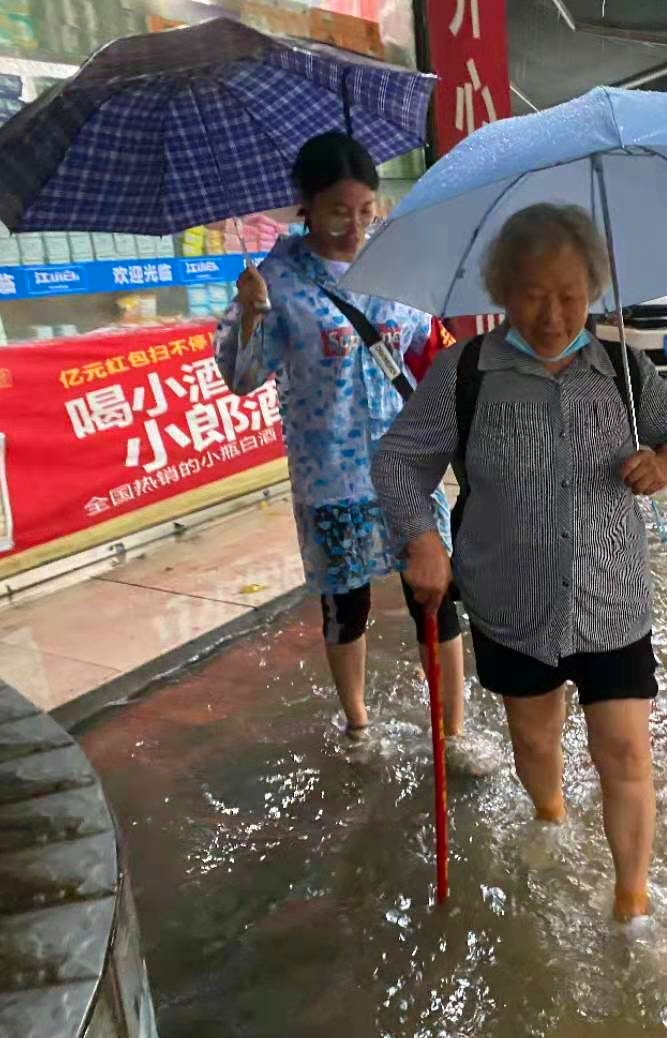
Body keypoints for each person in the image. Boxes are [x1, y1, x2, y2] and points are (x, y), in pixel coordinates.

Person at [372, 203, 667, 922]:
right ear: (502, 290)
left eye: (570, 293)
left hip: (610, 596)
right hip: (509, 598)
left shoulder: (621, 367)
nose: (553, 313)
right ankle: (551, 815)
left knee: (624, 753)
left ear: (594, 287)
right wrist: (423, 541)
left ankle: (631, 902)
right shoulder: (468, 372)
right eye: (533, 293)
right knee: (533, 738)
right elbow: (399, 462)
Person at [214, 132, 474, 751]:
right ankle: (358, 724)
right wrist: (249, 314)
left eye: (366, 210)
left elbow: (423, 351)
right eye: (339, 211)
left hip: (407, 468)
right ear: (304, 205)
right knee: (345, 605)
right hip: (328, 474)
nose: (355, 226)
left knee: (436, 598)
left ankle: (454, 731)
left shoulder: (394, 263)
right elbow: (242, 379)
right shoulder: (275, 279)